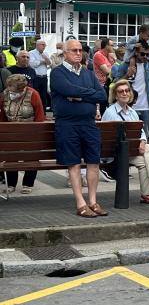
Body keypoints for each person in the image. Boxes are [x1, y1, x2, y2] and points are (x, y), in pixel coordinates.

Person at [50, 39, 109, 218]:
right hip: (67, 124)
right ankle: (80, 203)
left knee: (93, 162)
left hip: (89, 124)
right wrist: (87, 95)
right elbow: (68, 90)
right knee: (74, 164)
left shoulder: (89, 73)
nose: (78, 53)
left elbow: (103, 95)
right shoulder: (57, 73)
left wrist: (80, 96)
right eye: (74, 50)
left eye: (80, 50)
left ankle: (93, 201)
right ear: (65, 53)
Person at [102, 80, 149, 205]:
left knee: (146, 156)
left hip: (130, 151)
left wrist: (142, 142)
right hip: (115, 153)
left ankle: (148, 192)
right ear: (115, 95)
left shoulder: (132, 112)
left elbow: (141, 133)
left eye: (127, 90)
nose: (124, 93)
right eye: (120, 91)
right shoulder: (110, 112)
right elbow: (111, 139)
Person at [0, 74, 46, 193]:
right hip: (11, 132)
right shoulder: (5, 94)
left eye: (13, 90)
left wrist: (36, 134)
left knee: (31, 157)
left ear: (22, 89)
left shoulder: (33, 94)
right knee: (10, 158)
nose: (10, 92)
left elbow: (40, 116)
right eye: (9, 88)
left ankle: (28, 184)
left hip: (30, 132)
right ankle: (11, 184)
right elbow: (2, 116)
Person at [111, 43, 149, 139]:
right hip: (129, 106)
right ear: (136, 53)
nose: (145, 57)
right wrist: (127, 75)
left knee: (145, 137)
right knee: (128, 136)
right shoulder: (125, 65)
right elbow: (116, 84)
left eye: (148, 54)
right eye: (142, 54)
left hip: (147, 106)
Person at [28, 38, 51, 109]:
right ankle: (35, 111)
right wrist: (42, 61)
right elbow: (32, 64)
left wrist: (45, 60)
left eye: (45, 45)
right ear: (37, 45)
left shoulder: (45, 53)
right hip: (36, 77)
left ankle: (43, 113)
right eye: (43, 45)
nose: (44, 46)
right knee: (36, 95)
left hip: (44, 77)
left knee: (43, 95)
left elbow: (50, 63)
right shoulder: (31, 53)